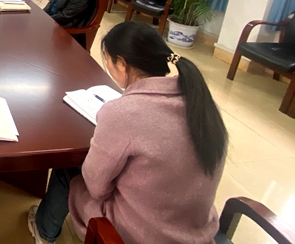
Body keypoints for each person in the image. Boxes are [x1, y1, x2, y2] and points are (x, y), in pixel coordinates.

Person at [28, 21, 228, 244]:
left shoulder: (122, 112)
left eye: (108, 61)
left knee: (69, 168)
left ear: (122, 64)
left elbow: (96, 188)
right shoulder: (202, 105)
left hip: (141, 235)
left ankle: (44, 231)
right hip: (195, 234)